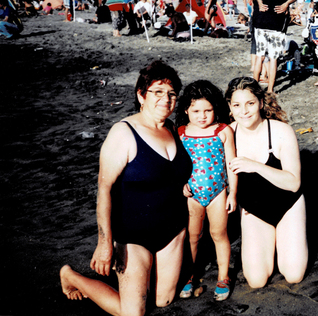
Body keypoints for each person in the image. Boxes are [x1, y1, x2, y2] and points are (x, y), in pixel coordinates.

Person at [60, 61, 192, 314]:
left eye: (171, 93)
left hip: (173, 232)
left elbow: (173, 173)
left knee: (163, 301)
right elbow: (104, 189)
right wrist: (104, 243)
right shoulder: (124, 133)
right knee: (133, 313)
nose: (166, 99)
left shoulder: (173, 129)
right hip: (133, 236)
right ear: (141, 95)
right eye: (157, 92)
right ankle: (72, 277)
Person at [225, 77, 307, 288]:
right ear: (230, 107)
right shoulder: (227, 135)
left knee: (293, 274)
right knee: (256, 280)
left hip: (287, 205)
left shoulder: (280, 131)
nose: (244, 111)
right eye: (237, 105)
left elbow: (293, 183)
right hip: (254, 209)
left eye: (250, 103)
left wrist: (256, 166)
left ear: (261, 102)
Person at [175, 80, 237, 301]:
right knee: (193, 236)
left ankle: (223, 276)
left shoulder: (223, 131)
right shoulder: (181, 132)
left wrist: (233, 194)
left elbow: (232, 164)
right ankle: (189, 275)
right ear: (186, 110)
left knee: (219, 234)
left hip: (218, 192)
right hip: (192, 195)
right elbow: (177, 164)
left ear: (215, 109)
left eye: (208, 110)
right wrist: (180, 183)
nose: (202, 116)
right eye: (196, 111)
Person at [243, 0, 303, 93]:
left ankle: (255, 88)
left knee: (260, 56)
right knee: (274, 58)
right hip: (277, 23)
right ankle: (270, 89)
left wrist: (258, 0)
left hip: (260, 21)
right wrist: (286, 4)